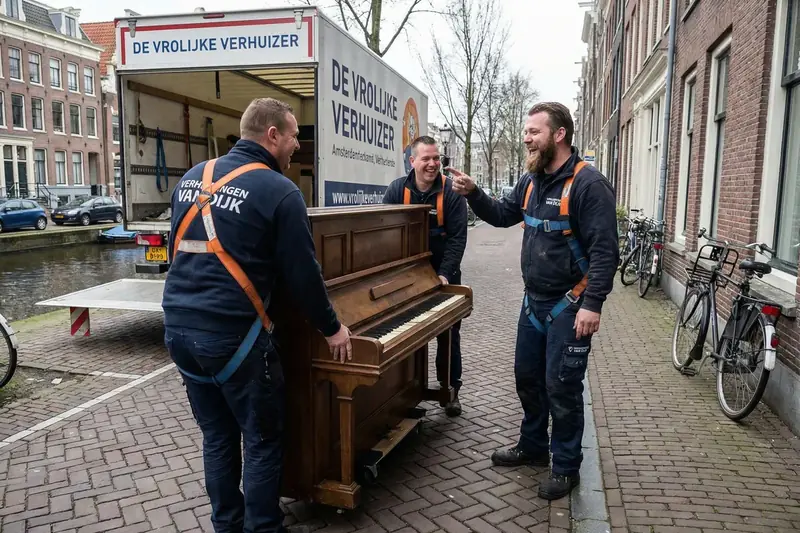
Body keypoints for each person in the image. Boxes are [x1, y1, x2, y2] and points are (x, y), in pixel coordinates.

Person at [162, 97, 352, 533]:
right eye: (292, 139)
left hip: (179, 330)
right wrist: (332, 328)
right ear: (272, 135)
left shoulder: (192, 178)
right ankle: (263, 527)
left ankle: (226, 525)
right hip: (235, 338)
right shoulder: (279, 191)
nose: (295, 149)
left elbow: (178, 249)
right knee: (263, 440)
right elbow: (304, 276)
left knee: (217, 435)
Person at [450, 102, 618, 500]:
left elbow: (605, 251)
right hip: (534, 303)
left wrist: (592, 303)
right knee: (527, 378)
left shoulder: (588, 185)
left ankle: (565, 466)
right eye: (526, 132)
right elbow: (503, 214)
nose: (526, 138)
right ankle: (532, 446)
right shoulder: (532, 181)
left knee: (561, 386)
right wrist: (474, 193)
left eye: (534, 132)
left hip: (570, 305)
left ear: (559, 135)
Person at [383, 135, 468, 417]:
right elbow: (385, 233)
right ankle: (404, 394)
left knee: (449, 334)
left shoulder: (452, 194)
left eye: (436, 158)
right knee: (405, 335)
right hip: (408, 278)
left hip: (444, 276)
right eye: (426, 159)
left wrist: (444, 275)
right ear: (412, 162)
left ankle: (450, 389)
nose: (433, 164)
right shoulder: (397, 190)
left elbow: (457, 239)